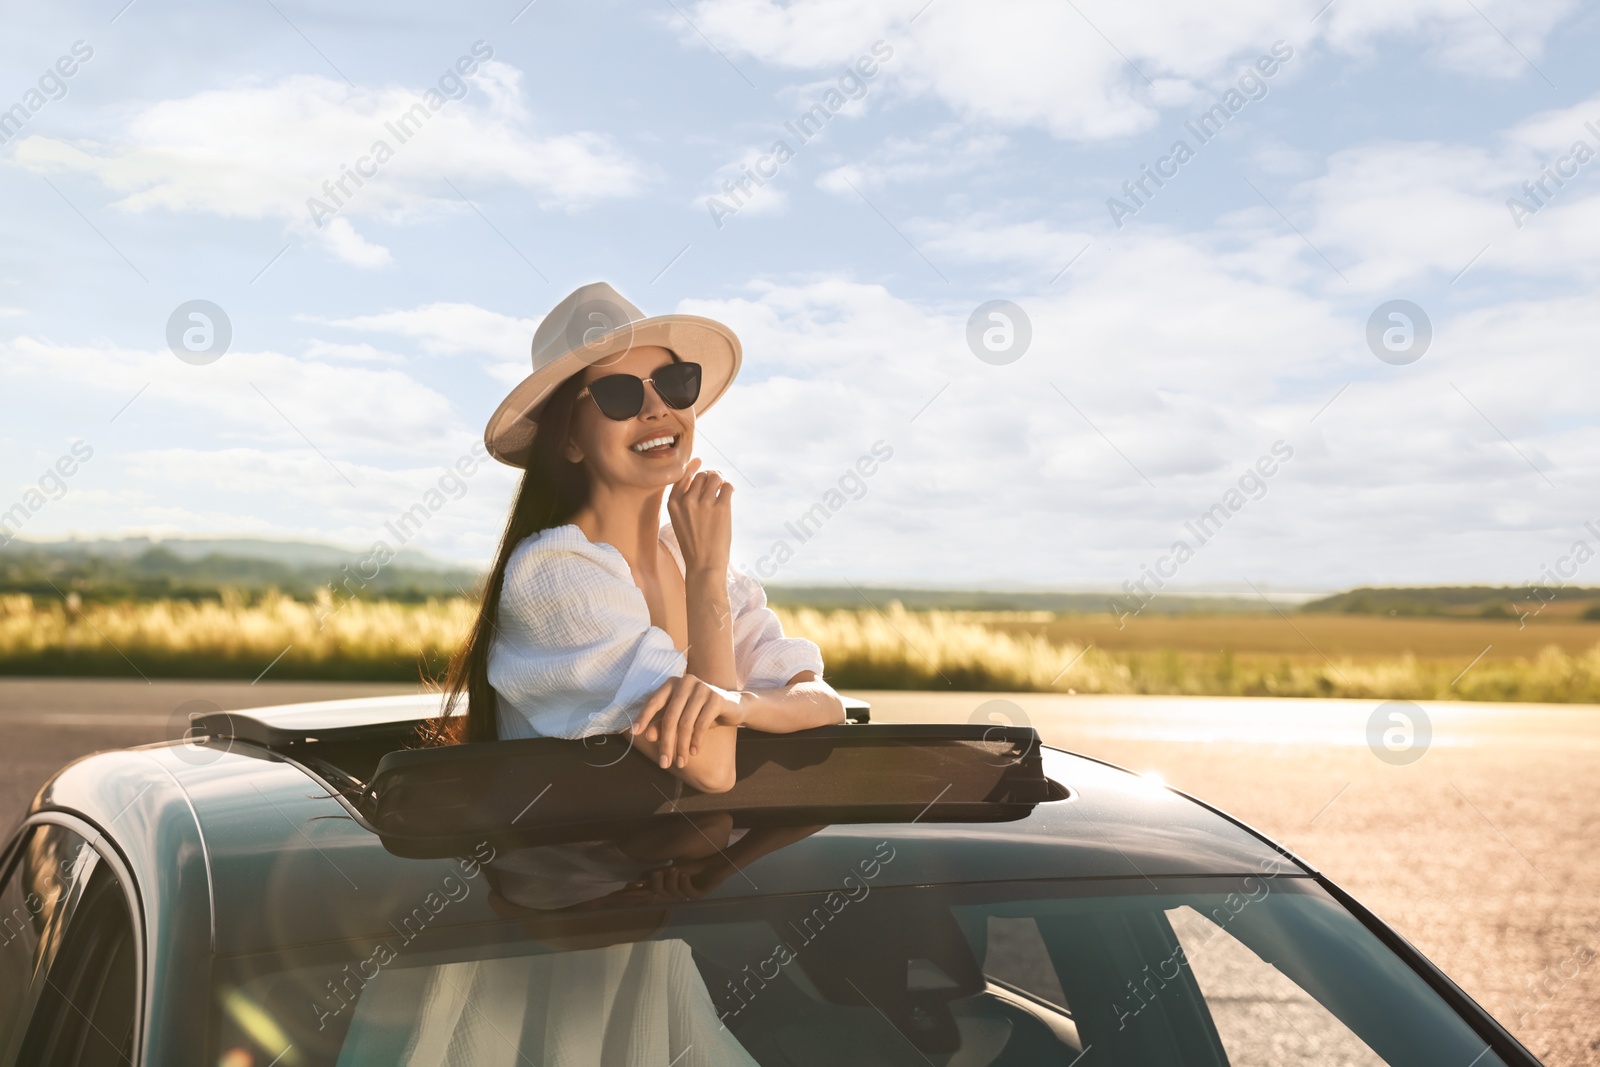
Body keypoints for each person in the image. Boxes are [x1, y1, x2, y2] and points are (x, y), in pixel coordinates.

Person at [426, 282, 846, 793]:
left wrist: (739, 704)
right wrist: (709, 578)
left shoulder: (686, 558)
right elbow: (711, 768)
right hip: (585, 867)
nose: (656, 408)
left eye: (673, 382)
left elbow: (825, 703)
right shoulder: (555, 573)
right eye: (619, 394)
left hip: (689, 865)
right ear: (570, 439)